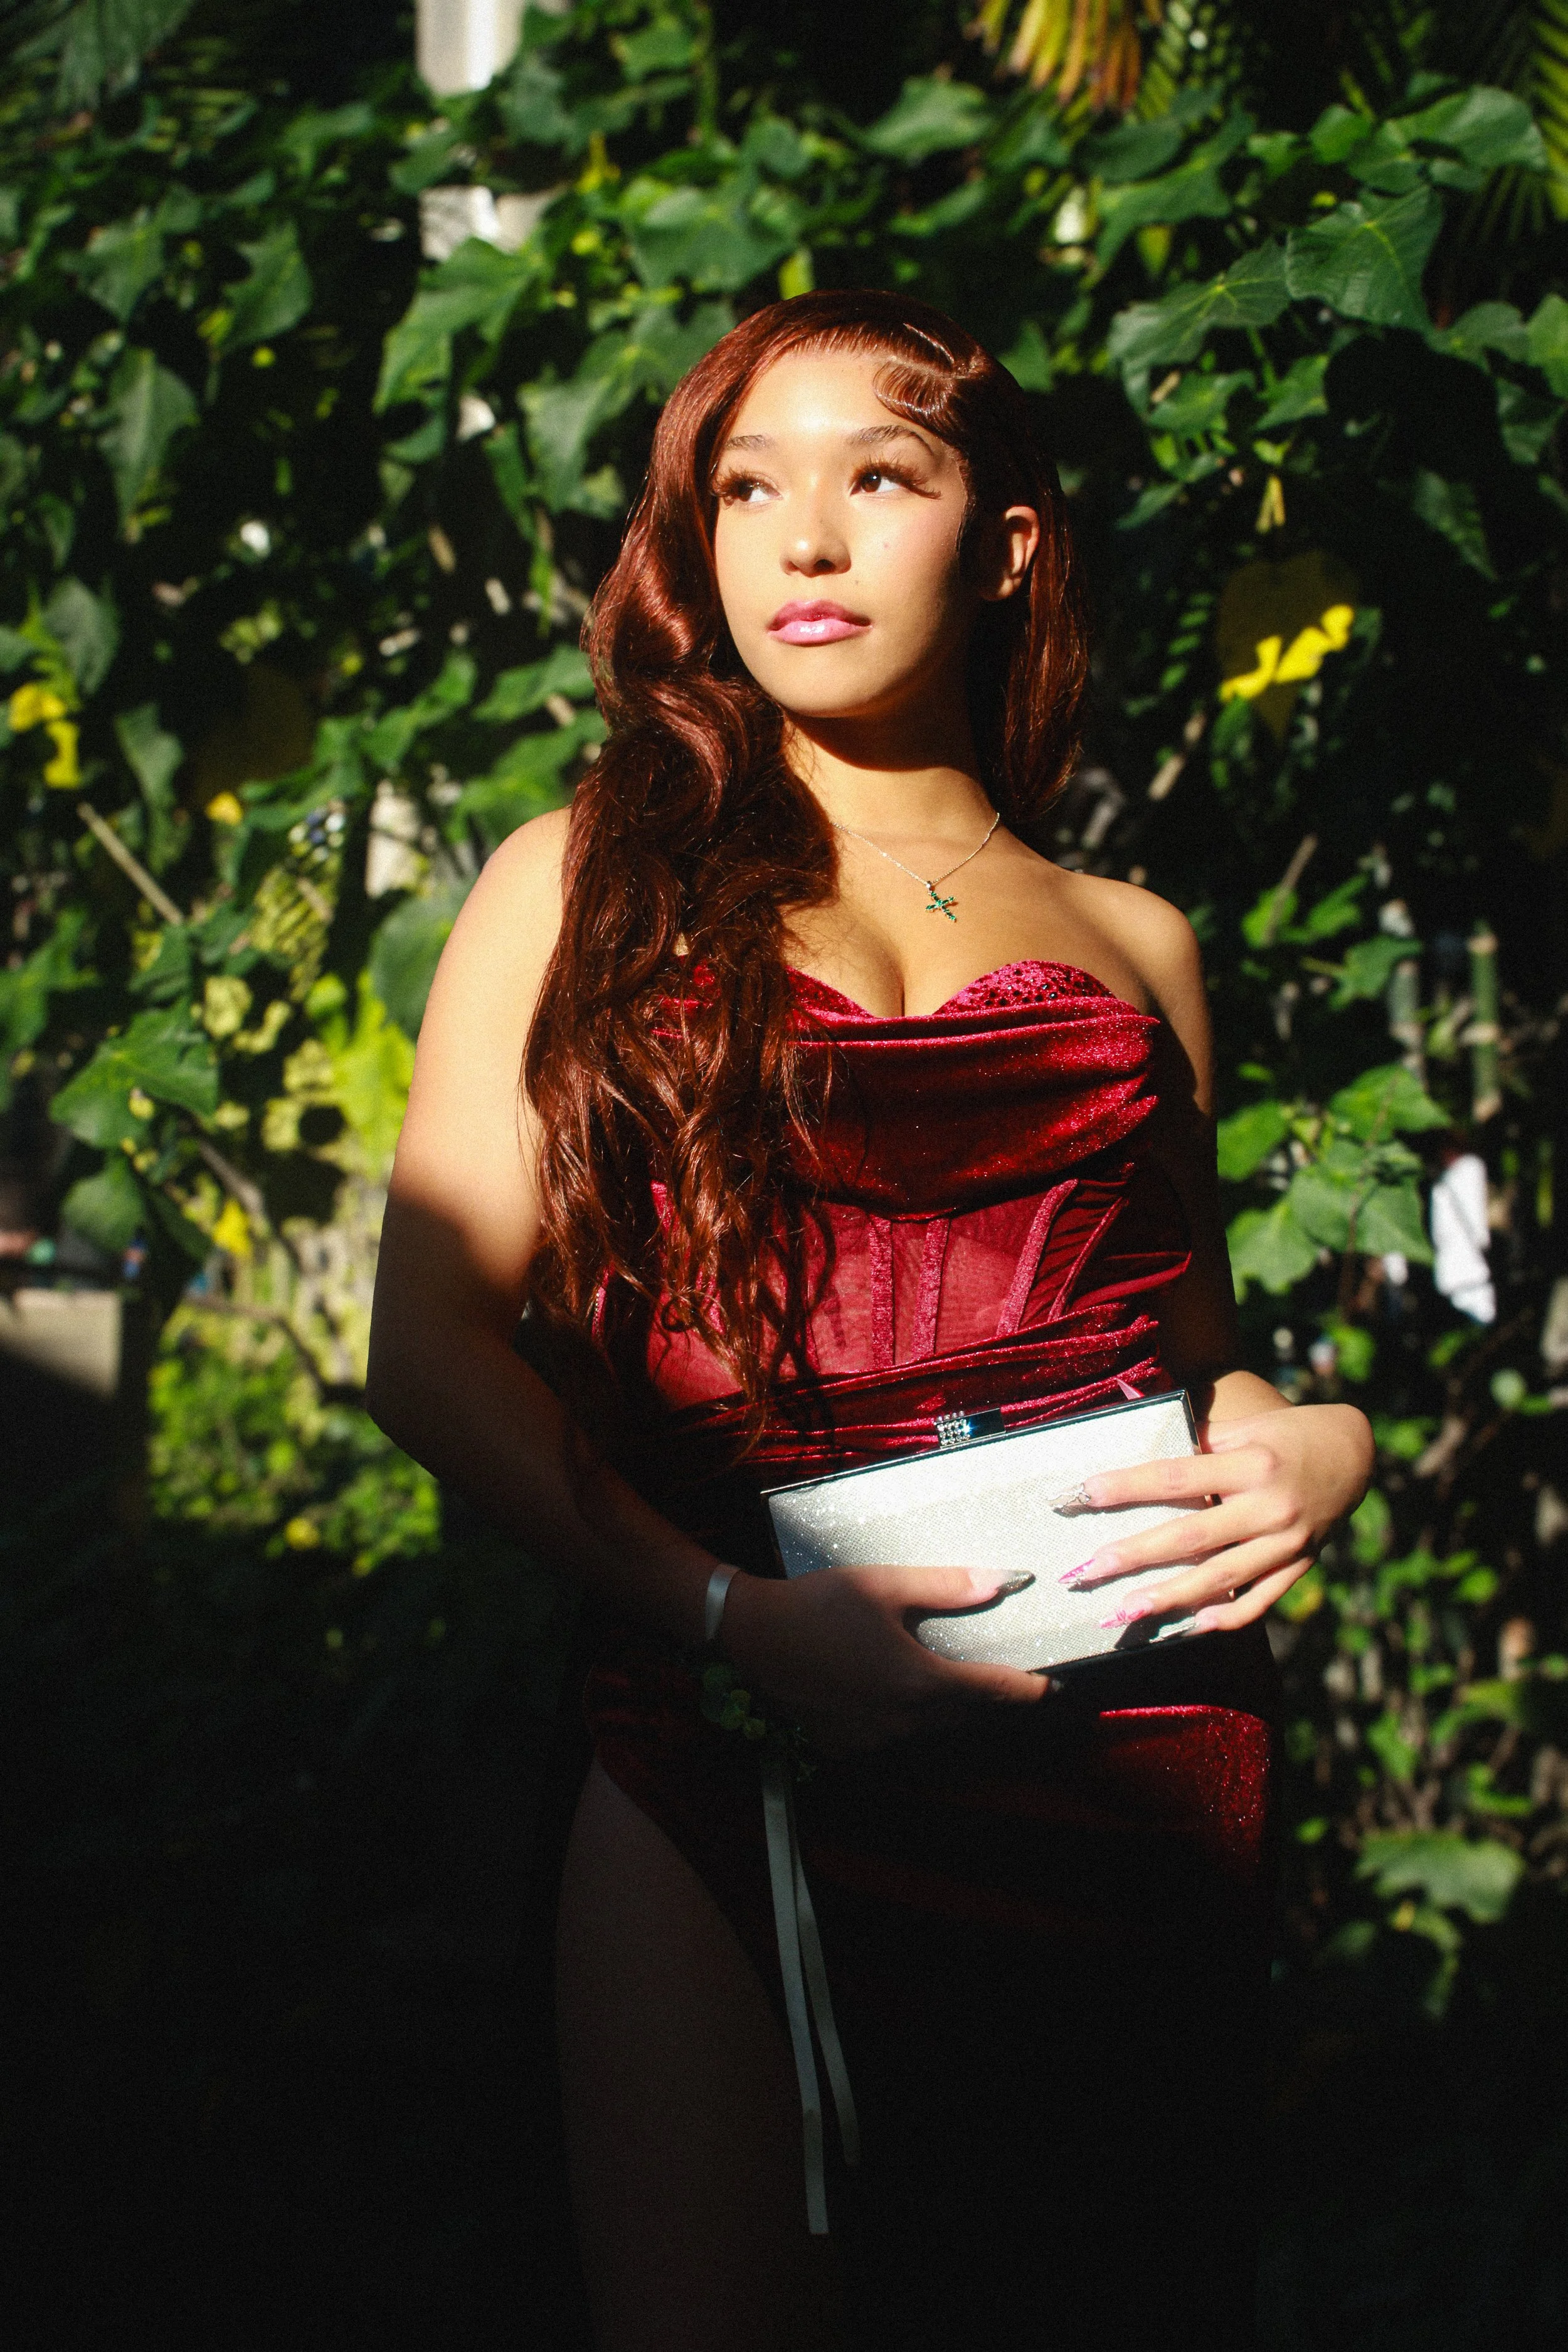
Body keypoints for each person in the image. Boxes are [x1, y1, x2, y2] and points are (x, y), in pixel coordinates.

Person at [367, 289, 1374, 2352]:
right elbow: (428, 1347)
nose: (800, 543)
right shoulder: (573, 881)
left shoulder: (1135, 939)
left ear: (998, 538)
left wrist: (1315, 1437)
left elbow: (1184, 1346)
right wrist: (732, 1620)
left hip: (1123, 1740)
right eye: (746, 488)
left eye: (875, 477)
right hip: (727, 1733)